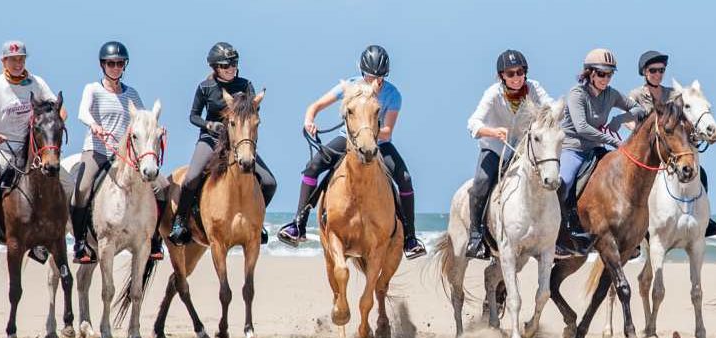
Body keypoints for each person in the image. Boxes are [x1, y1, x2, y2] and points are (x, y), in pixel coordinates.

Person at [278, 45, 425, 259]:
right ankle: (298, 224)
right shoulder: (349, 86)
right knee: (312, 167)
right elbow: (315, 106)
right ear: (362, 71)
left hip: (378, 143)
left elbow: (387, 131)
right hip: (348, 139)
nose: (374, 80)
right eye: (370, 75)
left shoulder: (393, 95)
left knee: (405, 179)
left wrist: (368, 131)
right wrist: (309, 120)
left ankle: (410, 238)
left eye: (379, 77)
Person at [168, 42, 278, 246]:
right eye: (226, 66)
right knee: (191, 178)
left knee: (270, 182)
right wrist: (210, 125)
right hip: (211, 139)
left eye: (234, 64)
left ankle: (257, 221)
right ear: (216, 67)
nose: (231, 69)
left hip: (239, 142)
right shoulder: (205, 87)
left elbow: (252, 113)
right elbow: (193, 116)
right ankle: (180, 221)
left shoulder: (246, 85)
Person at [461, 50, 553, 259]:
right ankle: (476, 236)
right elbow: (473, 123)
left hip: (523, 152)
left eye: (520, 72)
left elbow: (550, 105)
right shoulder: (493, 94)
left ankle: (555, 234)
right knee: (481, 184)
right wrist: (492, 132)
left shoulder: (534, 88)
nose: (516, 77)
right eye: (510, 74)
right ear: (502, 75)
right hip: (495, 149)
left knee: (552, 178)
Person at [556, 48, 648, 256]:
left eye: (610, 74)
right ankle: (560, 236)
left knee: (619, 179)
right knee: (565, 182)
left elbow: (639, 109)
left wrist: (619, 119)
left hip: (595, 148)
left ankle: (625, 234)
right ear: (589, 73)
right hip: (573, 148)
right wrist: (614, 141)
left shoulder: (611, 94)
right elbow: (581, 127)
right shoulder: (576, 94)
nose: (606, 79)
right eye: (601, 74)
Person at [0, 40, 59, 268]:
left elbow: (58, 110)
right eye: (13, 60)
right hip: (2, 148)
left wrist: (54, 123)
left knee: (64, 185)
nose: (18, 64)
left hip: (32, 149)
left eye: (21, 59)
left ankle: (47, 239)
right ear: (3, 62)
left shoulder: (37, 83)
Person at [71, 40, 152, 264]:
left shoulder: (131, 94)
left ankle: (153, 240)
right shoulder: (93, 89)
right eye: (111, 63)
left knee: (160, 187)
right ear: (102, 65)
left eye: (119, 63)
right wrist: (94, 125)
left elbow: (143, 119)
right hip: (97, 150)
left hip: (124, 156)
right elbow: (82, 112)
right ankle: (79, 243)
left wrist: (156, 128)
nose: (115, 67)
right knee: (82, 189)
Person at [625, 50, 716, 238]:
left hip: (670, 149)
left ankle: (704, 220)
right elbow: (627, 120)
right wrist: (639, 130)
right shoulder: (636, 95)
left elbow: (686, 117)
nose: (658, 74)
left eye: (661, 70)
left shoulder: (673, 95)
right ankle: (631, 221)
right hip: (648, 150)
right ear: (645, 72)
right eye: (653, 70)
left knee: (700, 174)